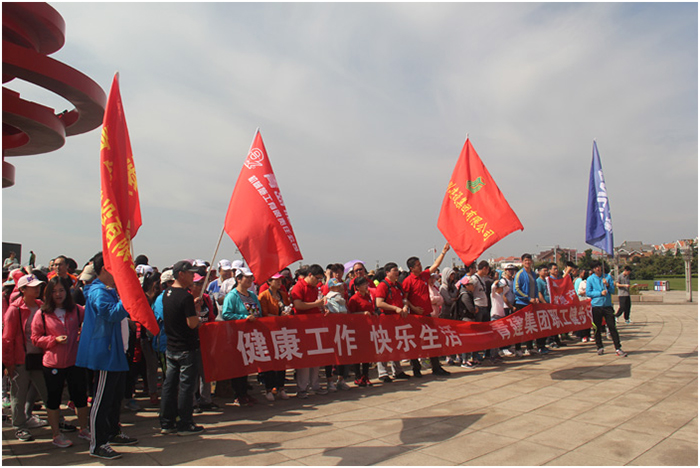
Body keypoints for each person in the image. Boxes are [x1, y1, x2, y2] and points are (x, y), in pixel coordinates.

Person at [75, 252, 138, 460]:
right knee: (101, 399)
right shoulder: (98, 291)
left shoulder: (108, 290)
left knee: (114, 397)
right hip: (105, 353)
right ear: (104, 269)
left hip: (116, 351)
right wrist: (128, 297)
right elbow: (110, 313)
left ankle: (112, 431)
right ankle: (98, 443)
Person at [31, 276, 90, 447]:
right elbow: (35, 338)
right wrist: (53, 340)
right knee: (53, 399)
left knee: (80, 396)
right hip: (52, 363)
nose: (58, 294)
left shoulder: (76, 310)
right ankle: (56, 434)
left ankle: (84, 429)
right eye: (54, 291)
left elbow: (91, 319)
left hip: (74, 361)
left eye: (61, 290)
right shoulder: (42, 313)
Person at [2, 274, 50, 442]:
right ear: (23, 290)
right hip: (20, 359)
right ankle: (19, 426)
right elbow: (7, 338)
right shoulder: (14, 310)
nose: (37, 289)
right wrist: (8, 363)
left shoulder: (41, 306)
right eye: (33, 287)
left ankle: (56, 421)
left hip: (39, 357)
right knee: (18, 394)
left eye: (38, 286)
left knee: (46, 391)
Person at [159, 260, 204, 436]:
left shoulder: (167, 293)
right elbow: (192, 323)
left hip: (171, 346)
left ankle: (167, 422)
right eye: (190, 273)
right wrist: (197, 315)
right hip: (186, 347)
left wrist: (192, 307)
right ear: (181, 274)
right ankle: (185, 423)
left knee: (170, 385)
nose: (193, 276)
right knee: (186, 386)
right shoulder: (185, 296)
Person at [402, 242, 451, 377]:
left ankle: (436, 367)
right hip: (415, 317)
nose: (420, 266)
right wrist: (413, 308)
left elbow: (435, 265)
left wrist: (443, 252)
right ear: (412, 268)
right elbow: (404, 299)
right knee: (416, 342)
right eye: (418, 265)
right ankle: (416, 368)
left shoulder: (424, 275)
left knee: (433, 340)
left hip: (427, 315)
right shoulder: (408, 281)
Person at [221, 267, 261, 406]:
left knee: (246, 364)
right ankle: (238, 393)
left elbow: (259, 312)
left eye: (251, 278)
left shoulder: (252, 295)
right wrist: (244, 318)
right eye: (247, 277)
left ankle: (244, 392)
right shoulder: (232, 296)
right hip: (236, 335)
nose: (250, 280)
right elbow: (226, 314)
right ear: (238, 279)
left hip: (251, 335)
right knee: (238, 365)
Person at [290, 264, 328, 398]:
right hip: (302, 327)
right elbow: (298, 305)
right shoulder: (299, 286)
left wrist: (322, 308)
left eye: (321, 279)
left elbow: (316, 305)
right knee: (304, 359)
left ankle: (315, 384)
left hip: (315, 326)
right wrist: (316, 304)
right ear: (310, 275)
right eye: (317, 278)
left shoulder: (315, 288)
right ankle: (302, 388)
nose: (319, 281)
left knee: (316, 357)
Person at [375, 262, 412, 382]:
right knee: (385, 345)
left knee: (396, 345)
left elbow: (404, 299)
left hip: (398, 320)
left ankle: (397, 370)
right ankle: (383, 372)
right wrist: (395, 308)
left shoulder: (398, 285)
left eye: (397, 270)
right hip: (386, 320)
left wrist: (405, 306)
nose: (397, 273)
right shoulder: (383, 285)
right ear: (387, 273)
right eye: (394, 270)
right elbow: (379, 303)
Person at [258, 273, 292, 401]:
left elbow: (288, 308)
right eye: (276, 280)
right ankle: (269, 388)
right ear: (269, 281)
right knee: (270, 361)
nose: (279, 282)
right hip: (269, 331)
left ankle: (281, 387)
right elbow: (264, 314)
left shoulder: (283, 295)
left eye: (280, 280)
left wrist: (288, 313)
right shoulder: (264, 296)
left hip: (282, 331)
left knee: (282, 360)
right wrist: (278, 317)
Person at [586, 261, 627, 357]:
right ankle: (599, 346)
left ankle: (618, 347)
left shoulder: (607, 277)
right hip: (596, 306)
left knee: (612, 326)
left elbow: (613, 291)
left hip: (607, 306)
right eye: (595, 267)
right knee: (597, 327)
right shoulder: (590, 279)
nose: (597, 269)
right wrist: (599, 293)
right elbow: (588, 292)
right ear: (593, 269)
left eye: (599, 266)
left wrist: (608, 285)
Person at [347, 276, 374, 387]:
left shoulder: (367, 296)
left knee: (367, 353)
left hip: (368, 328)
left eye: (366, 284)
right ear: (357, 287)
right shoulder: (354, 299)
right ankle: (358, 376)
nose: (366, 286)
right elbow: (350, 315)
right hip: (358, 329)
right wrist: (362, 314)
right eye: (363, 284)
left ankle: (366, 375)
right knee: (358, 354)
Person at [513, 254, 540, 357]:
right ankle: (518, 349)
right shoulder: (520, 274)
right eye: (525, 260)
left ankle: (530, 347)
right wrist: (528, 298)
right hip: (521, 303)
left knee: (530, 326)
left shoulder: (533, 274)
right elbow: (516, 289)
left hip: (532, 304)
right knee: (520, 327)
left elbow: (535, 287)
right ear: (522, 262)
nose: (527, 262)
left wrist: (536, 297)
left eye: (529, 260)